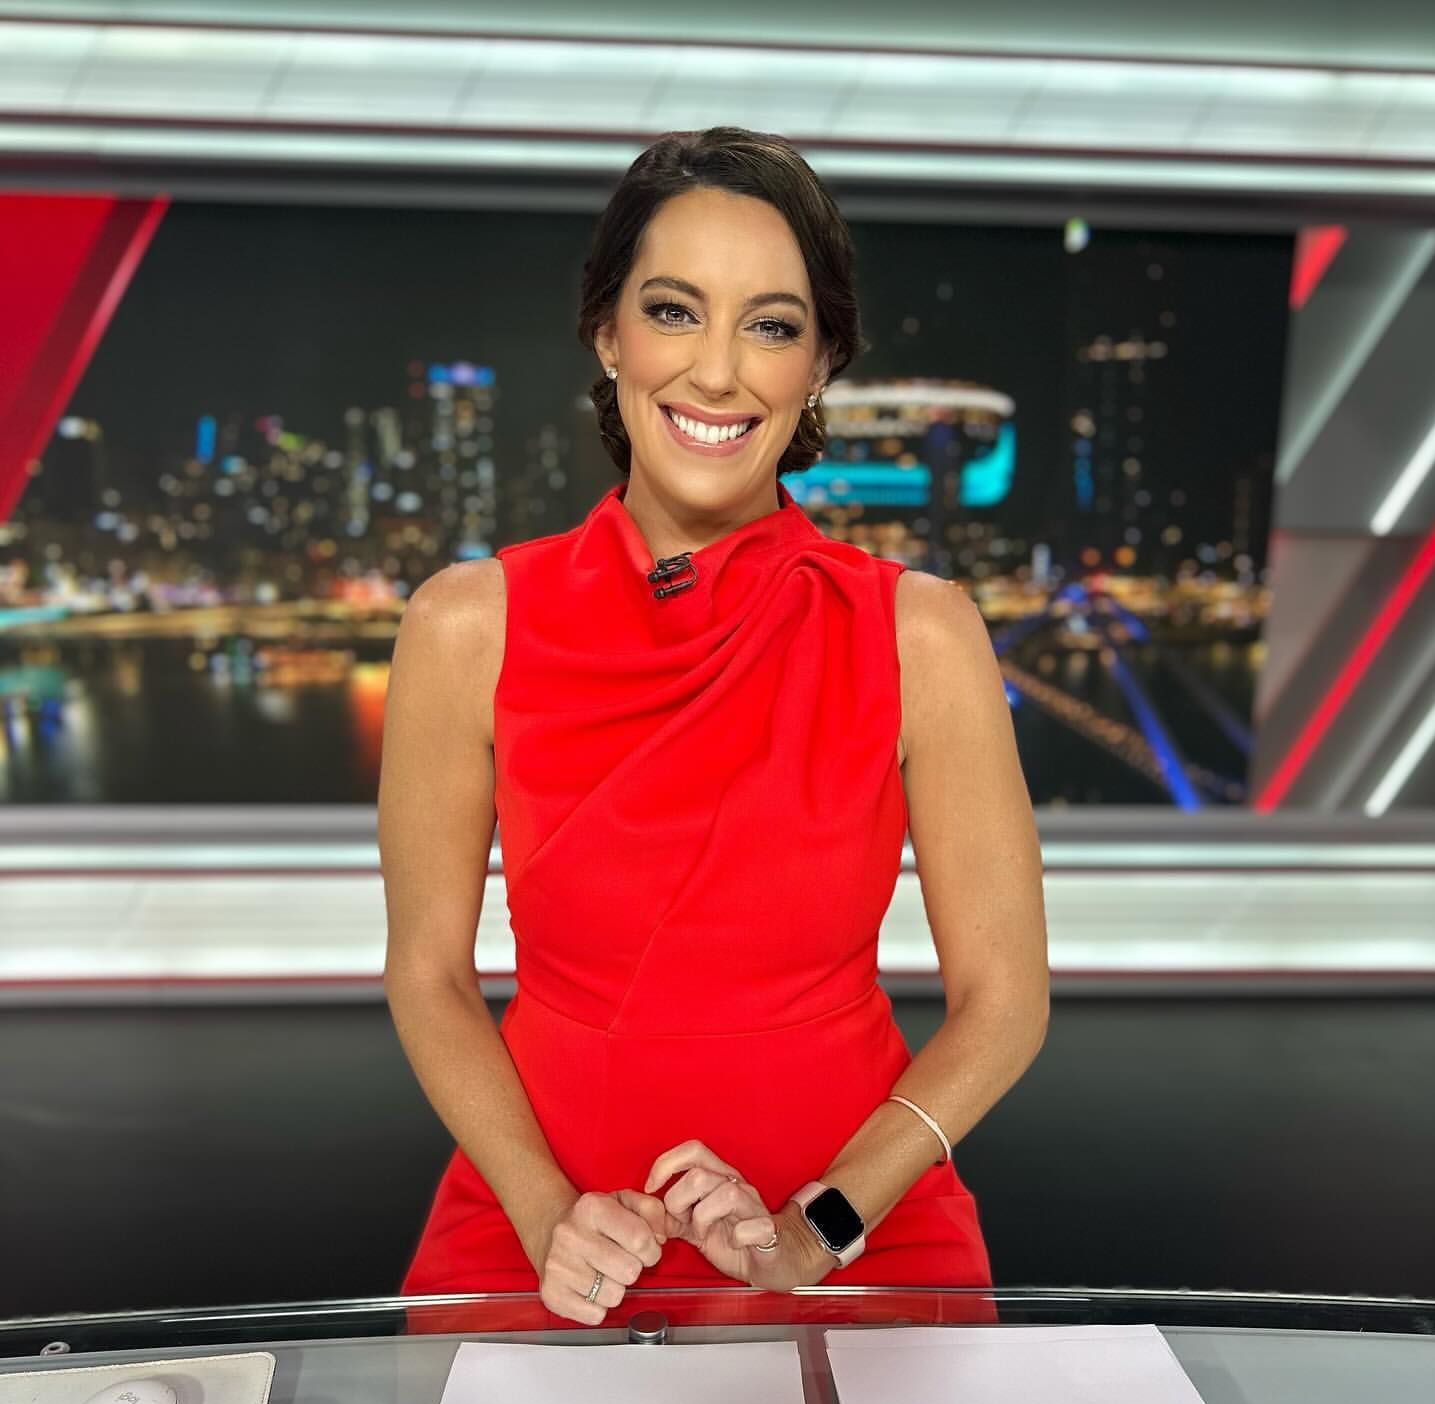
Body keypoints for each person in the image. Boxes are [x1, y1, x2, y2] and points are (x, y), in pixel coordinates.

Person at [378, 126, 1049, 1330]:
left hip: (853, 1225)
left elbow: (1006, 1003)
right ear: (608, 333)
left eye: (772, 326)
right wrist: (545, 1213)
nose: (720, 371)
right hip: (547, 1222)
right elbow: (427, 976)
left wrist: (818, 1227)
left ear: (822, 361)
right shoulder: (464, 625)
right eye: (674, 312)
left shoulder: (922, 633)